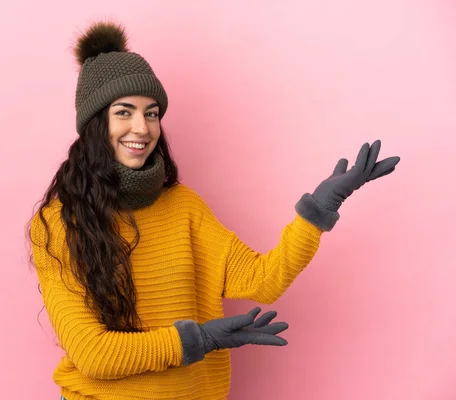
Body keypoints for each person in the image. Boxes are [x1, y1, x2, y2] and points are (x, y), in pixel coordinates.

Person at [28, 21, 400, 400]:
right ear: (95, 123)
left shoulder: (183, 206)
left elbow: (263, 280)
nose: (142, 127)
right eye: (124, 112)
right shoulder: (58, 223)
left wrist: (318, 210)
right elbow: (94, 355)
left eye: (152, 113)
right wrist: (197, 340)